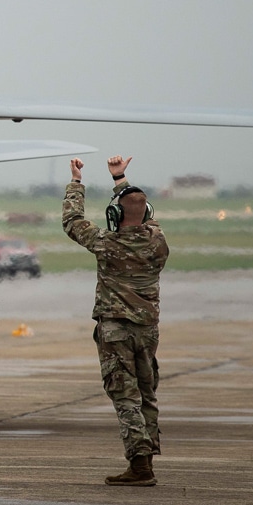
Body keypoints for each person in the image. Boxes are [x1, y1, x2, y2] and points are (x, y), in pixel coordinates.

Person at [64, 155, 169, 487]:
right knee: (146, 392)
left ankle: (139, 464)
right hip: (147, 330)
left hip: (116, 331)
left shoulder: (106, 244)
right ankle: (147, 458)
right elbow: (141, 210)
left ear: (114, 215)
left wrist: (77, 182)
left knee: (125, 396)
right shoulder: (157, 242)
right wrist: (121, 178)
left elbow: (71, 220)